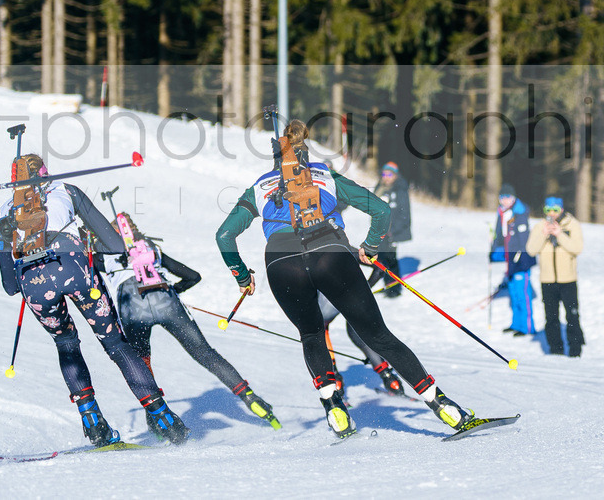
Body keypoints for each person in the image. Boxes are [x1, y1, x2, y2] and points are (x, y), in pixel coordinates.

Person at [215, 119, 483, 439]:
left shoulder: (258, 187)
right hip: (330, 255)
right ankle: (444, 407)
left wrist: (242, 276)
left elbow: (224, 236)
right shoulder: (326, 175)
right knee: (378, 336)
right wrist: (370, 247)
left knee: (311, 334)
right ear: (305, 153)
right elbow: (381, 210)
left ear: (276, 161)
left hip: (281, 264)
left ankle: (334, 409)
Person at [0, 155, 189, 447]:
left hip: (33, 284)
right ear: (45, 174)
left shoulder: (4, 213)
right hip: (74, 268)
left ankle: (93, 423)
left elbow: (10, 286)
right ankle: (164, 419)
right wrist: (83, 241)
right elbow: (115, 245)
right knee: (115, 344)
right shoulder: (66, 190)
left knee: (66, 344)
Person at [93, 212, 280, 428]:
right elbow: (193, 276)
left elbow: (87, 272)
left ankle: (158, 422)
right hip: (166, 300)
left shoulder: (103, 255)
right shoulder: (152, 249)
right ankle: (249, 397)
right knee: (205, 353)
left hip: (132, 307)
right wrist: (175, 290)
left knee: (142, 365)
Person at [526, 196, 585, 357]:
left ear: (562, 209)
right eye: (548, 210)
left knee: (572, 315)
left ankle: (575, 350)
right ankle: (555, 350)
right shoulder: (540, 226)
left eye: (555, 210)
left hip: (568, 280)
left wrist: (560, 235)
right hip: (547, 280)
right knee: (551, 317)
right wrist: (543, 234)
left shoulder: (572, 225)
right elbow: (531, 250)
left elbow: (577, 248)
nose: (552, 213)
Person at [490, 183, 536, 336]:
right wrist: (494, 251)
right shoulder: (502, 212)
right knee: (514, 293)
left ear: (513, 198)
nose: (505, 200)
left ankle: (527, 327)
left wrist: (520, 256)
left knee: (522, 294)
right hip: (509, 259)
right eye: (502, 197)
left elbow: (524, 239)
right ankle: (516, 324)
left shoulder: (519, 213)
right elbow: (500, 236)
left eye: (507, 197)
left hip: (521, 260)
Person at [372, 161, 411, 298]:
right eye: (384, 174)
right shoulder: (380, 187)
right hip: (379, 231)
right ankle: (388, 285)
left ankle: (394, 289)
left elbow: (405, 214)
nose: (386, 177)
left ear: (395, 175)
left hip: (391, 232)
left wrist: (393, 230)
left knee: (390, 259)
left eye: (389, 174)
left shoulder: (400, 189)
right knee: (381, 258)